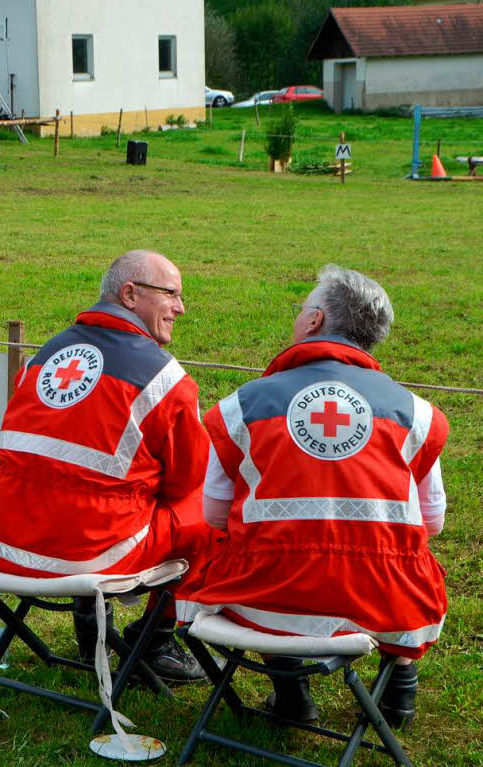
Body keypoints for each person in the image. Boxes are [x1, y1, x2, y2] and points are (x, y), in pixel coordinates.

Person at [186, 265, 449, 729]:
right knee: (412, 563)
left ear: (312, 321)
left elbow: (213, 514)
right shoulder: (418, 414)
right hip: (385, 605)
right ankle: (399, 691)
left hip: (263, 597)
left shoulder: (239, 406)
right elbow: (431, 524)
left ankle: (291, 694)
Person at [0, 250, 216, 683]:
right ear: (130, 294)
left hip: (1, 542)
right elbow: (186, 483)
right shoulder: (168, 381)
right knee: (209, 509)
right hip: (91, 553)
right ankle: (155, 641)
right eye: (172, 295)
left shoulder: (42, 358)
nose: (181, 308)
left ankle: (93, 628)